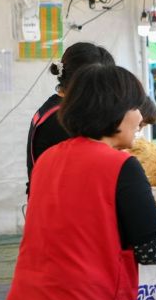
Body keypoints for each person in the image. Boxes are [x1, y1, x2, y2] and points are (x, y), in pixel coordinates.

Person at [1, 64, 156, 300]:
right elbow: (153, 248)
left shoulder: (49, 159)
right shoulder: (122, 167)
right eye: (136, 107)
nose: (140, 118)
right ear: (116, 110)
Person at [26, 42, 115, 194]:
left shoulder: (57, 108)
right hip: (56, 208)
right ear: (82, 82)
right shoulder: (62, 119)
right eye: (100, 84)